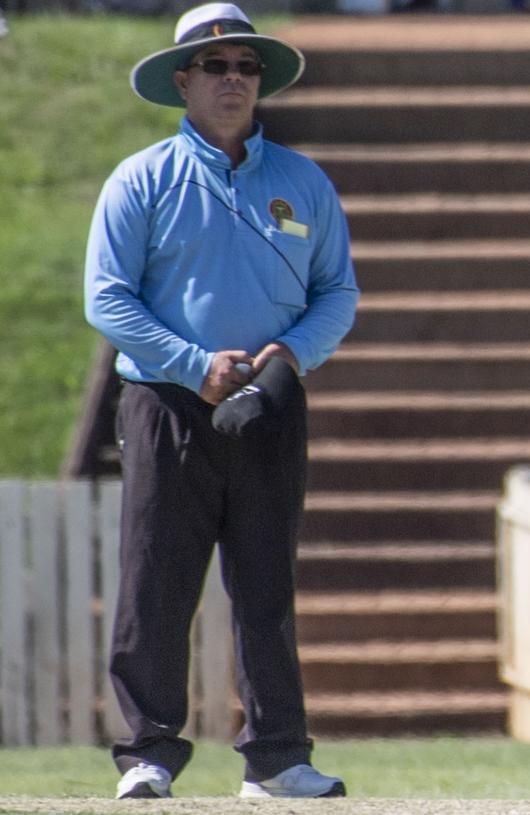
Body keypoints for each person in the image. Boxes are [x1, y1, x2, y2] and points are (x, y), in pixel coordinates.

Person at [84, 3, 358, 799]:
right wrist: (192, 362)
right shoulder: (142, 179)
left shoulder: (301, 181)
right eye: (215, 66)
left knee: (266, 579)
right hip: (167, 402)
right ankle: (148, 752)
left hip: (269, 403)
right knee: (156, 580)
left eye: (245, 67)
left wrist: (288, 356)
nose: (233, 79)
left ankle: (276, 756)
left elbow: (337, 290)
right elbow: (108, 297)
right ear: (183, 82)